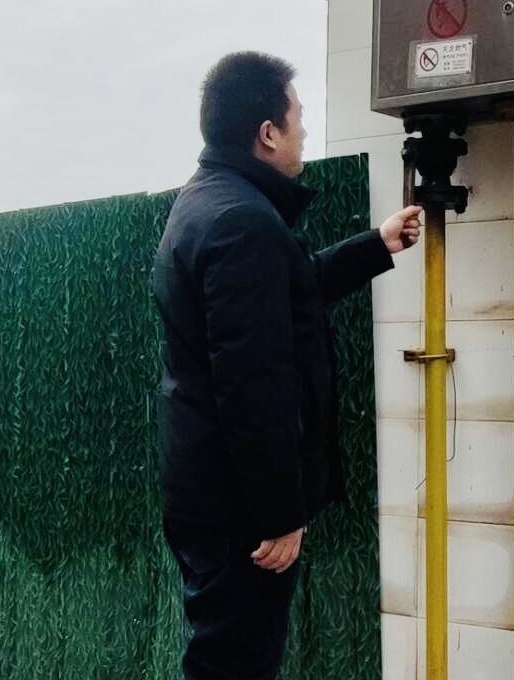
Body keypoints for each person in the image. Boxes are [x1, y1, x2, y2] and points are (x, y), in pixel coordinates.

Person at [152, 51, 421, 680]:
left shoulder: (209, 202)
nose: (305, 130)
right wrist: (278, 514)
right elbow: (253, 385)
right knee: (234, 666)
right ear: (268, 133)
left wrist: (375, 245)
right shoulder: (244, 221)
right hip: (239, 513)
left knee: (223, 657)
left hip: (208, 493)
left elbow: (286, 292)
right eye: (298, 117)